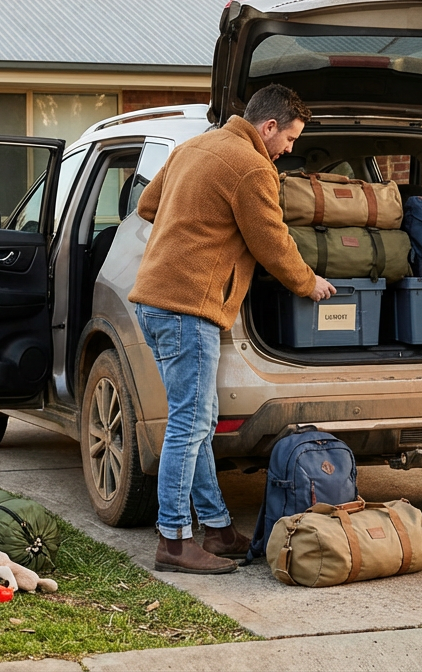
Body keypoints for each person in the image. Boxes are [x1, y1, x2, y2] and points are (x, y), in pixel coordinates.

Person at [129, 84, 336, 574]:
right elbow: (272, 241)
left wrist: (197, 224)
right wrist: (308, 283)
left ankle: (218, 529)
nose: (289, 150)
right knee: (189, 424)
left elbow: (147, 206)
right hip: (188, 309)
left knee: (196, 420)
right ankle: (174, 540)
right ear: (268, 128)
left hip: (154, 302)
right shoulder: (251, 167)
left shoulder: (193, 146)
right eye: (289, 139)